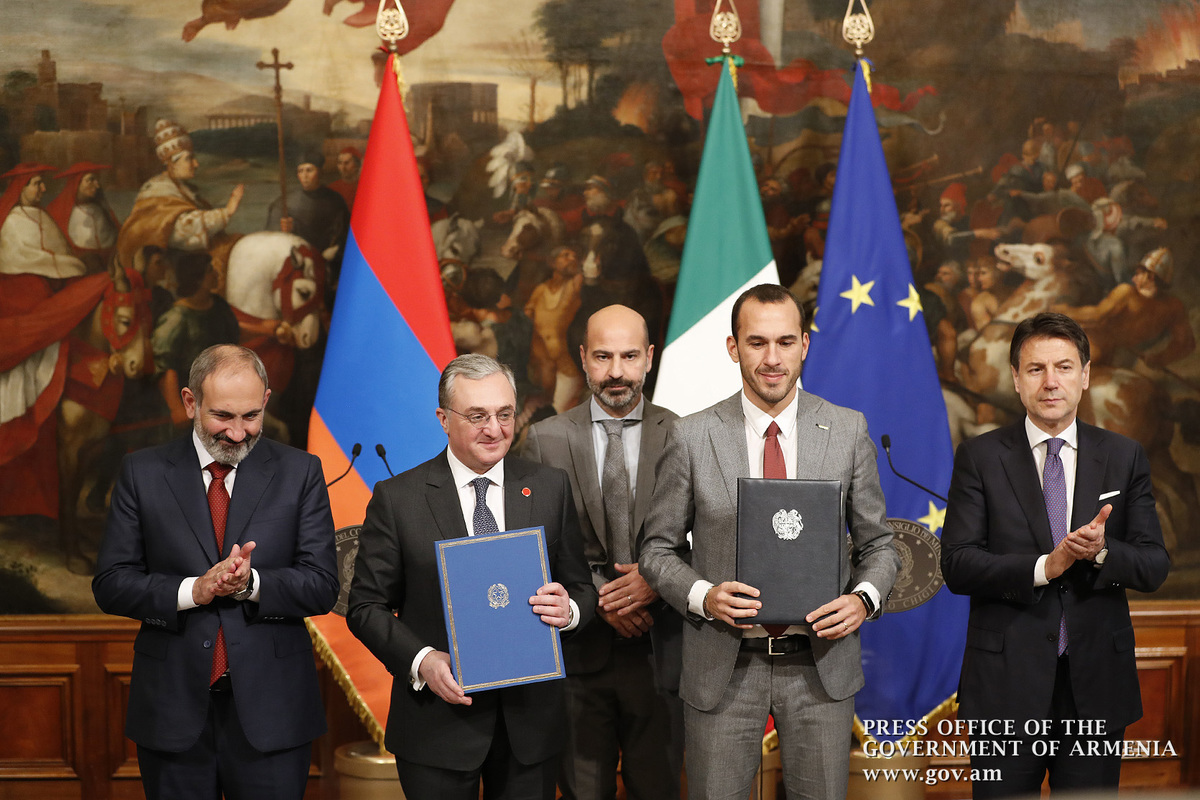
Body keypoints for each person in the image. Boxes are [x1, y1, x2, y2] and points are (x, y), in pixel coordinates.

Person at [639, 283, 898, 799]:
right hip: (723, 665)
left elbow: (880, 546)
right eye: (757, 342)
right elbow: (656, 550)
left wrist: (863, 600)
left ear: (805, 345)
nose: (772, 358)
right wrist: (704, 596)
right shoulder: (692, 435)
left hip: (820, 667)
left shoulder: (847, 430)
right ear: (733, 348)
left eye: (785, 342)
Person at [92, 344, 339, 800]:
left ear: (266, 401)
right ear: (190, 402)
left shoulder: (300, 472)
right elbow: (111, 584)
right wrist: (194, 590)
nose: (237, 432)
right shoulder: (142, 472)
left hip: (273, 712)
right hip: (172, 709)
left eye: (251, 416)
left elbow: (323, 585)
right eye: (222, 416)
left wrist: (251, 585)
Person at [346, 354, 597, 800]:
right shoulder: (398, 499)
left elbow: (580, 587)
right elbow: (366, 607)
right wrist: (422, 660)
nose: (494, 429)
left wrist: (571, 610)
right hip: (437, 726)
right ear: (443, 419)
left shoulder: (550, 487)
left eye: (505, 414)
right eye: (477, 416)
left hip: (530, 728)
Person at [941, 312, 1170, 798]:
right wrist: (1046, 566)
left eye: (1064, 367)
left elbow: (1154, 565)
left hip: (1095, 686)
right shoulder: (980, 457)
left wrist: (1102, 552)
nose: (1050, 382)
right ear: (1016, 378)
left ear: (1084, 376)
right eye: (1036, 369)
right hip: (1005, 687)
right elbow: (957, 564)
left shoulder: (1124, 455)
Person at [522, 305, 684, 800]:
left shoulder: (686, 434)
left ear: (649, 358)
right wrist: (602, 599)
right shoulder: (545, 440)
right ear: (583, 358)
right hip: (577, 654)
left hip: (662, 652)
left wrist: (654, 580)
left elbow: (710, 538)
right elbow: (532, 548)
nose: (616, 371)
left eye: (629, 356)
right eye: (603, 356)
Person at [116, 119, 244, 287]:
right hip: (168, 276)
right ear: (171, 163)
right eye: (189, 159)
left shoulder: (184, 189)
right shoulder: (156, 191)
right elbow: (179, 232)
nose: (196, 164)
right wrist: (226, 212)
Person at [45, 161, 121, 272]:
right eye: (90, 180)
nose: (97, 185)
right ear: (76, 183)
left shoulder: (101, 209)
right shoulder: (57, 211)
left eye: (97, 180)